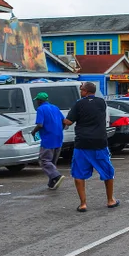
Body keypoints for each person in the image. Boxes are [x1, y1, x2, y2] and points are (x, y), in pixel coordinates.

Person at [63, 82, 118, 212]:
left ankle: (83, 204)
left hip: (82, 143)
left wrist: (61, 120)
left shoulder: (79, 103)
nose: (80, 91)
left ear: (86, 91)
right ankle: (110, 200)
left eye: (81, 89)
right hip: (99, 142)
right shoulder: (101, 103)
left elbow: (69, 121)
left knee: (78, 173)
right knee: (107, 172)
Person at [31, 92, 66, 190]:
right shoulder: (55, 107)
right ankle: (52, 182)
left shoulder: (41, 109)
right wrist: (59, 130)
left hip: (48, 139)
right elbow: (64, 122)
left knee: (44, 161)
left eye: (37, 100)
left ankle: (57, 176)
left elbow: (40, 125)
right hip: (58, 137)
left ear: (40, 100)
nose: (36, 102)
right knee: (52, 162)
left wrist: (33, 132)